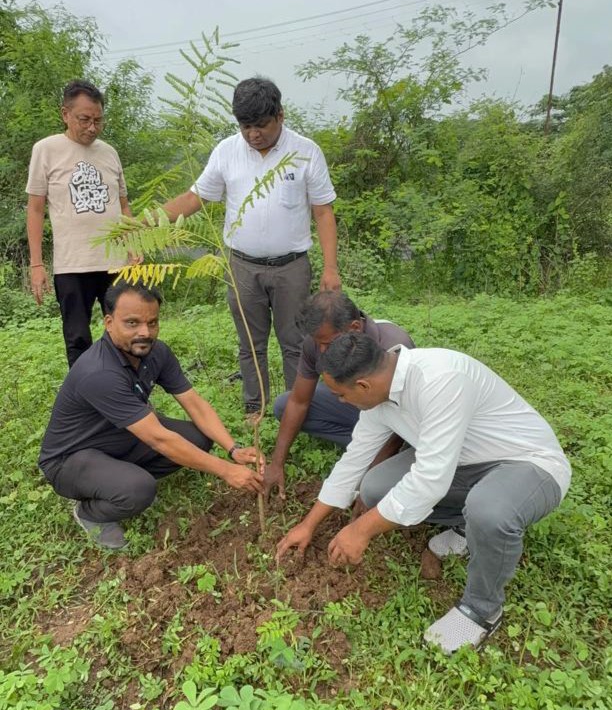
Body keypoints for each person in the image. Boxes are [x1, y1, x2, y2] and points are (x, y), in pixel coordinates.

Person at [276, 334, 571, 654]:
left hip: (527, 464)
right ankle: (465, 525)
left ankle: (482, 608)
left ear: (362, 385)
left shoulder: (441, 378)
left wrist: (360, 531)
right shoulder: (379, 396)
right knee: (376, 488)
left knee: (489, 511)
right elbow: (353, 461)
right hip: (461, 463)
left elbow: (429, 480)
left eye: (341, 395)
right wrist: (308, 525)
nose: (341, 402)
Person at [159, 77, 339, 416]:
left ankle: (298, 409)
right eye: (245, 127)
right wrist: (147, 222)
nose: (253, 134)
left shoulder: (306, 152)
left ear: (280, 116)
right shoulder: (227, 151)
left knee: (295, 342)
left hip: (292, 267)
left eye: (261, 125)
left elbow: (323, 211)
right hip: (242, 266)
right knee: (250, 344)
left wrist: (331, 268)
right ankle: (255, 408)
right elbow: (195, 198)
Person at [39, 280, 263, 551]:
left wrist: (233, 449)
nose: (144, 332)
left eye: (152, 322)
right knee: (140, 489)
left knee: (197, 438)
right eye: (132, 323)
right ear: (109, 323)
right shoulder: (99, 372)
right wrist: (226, 471)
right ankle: (91, 512)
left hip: (118, 436)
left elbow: (194, 403)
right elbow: (159, 439)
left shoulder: (157, 353)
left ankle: (120, 479)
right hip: (71, 459)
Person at [26, 79, 140, 367]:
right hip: (72, 264)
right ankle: (86, 391)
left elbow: (123, 205)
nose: (92, 127)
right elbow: (36, 209)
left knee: (126, 332)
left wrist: (133, 245)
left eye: (98, 120)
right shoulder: (46, 149)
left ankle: (127, 388)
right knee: (77, 338)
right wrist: (36, 264)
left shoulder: (109, 152)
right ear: (65, 114)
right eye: (84, 119)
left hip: (115, 263)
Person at [264, 290, 415, 499]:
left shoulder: (393, 345)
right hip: (356, 406)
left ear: (355, 328)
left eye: (327, 343)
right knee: (284, 405)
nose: (322, 350)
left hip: (393, 416)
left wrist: (369, 473)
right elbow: (299, 401)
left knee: (377, 479)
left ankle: (376, 451)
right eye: (318, 343)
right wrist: (276, 463)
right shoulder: (318, 341)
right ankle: (362, 444)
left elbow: (402, 418)